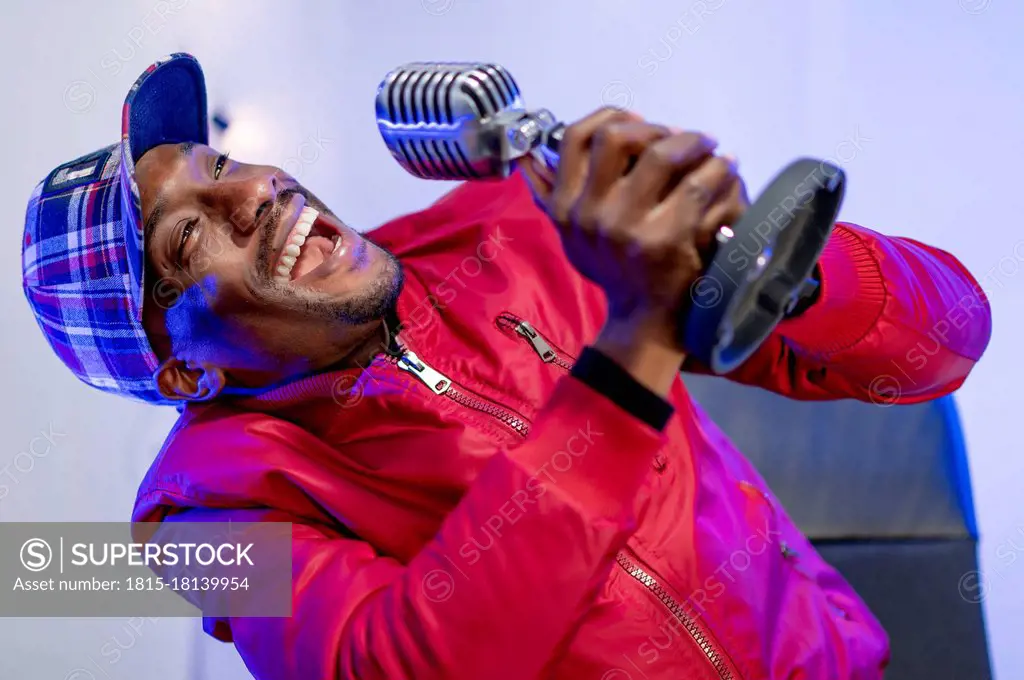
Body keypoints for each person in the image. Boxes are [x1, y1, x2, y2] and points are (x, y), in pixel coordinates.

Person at [22, 53, 991, 680]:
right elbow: (402, 663)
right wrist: (631, 351)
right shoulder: (197, 522)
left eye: (217, 162)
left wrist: (775, 264)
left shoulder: (507, 224)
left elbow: (947, 338)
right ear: (182, 372)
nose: (255, 193)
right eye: (190, 237)